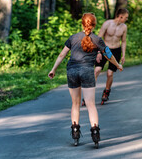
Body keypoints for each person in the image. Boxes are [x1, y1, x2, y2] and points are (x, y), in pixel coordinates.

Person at [48, 13, 123, 148]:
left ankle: (75, 132)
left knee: (75, 104)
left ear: (82, 24)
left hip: (72, 71)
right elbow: (109, 55)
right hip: (87, 71)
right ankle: (95, 133)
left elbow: (62, 54)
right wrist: (117, 65)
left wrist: (53, 69)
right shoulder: (97, 39)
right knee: (90, 104)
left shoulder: (73, 38)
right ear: (94, 25)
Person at [94, 8, 128, 105]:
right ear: (120, 16)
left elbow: (124, 41)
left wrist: (123, 55)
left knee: (110, 73)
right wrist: (98, 52)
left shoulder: (124, 27)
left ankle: (106, 92)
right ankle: (89, 93)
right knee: (96, 70)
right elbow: (98, 38)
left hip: (116, 50)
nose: (126, 19)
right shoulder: (107, 24)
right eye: (125, 17)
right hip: (104, 49)